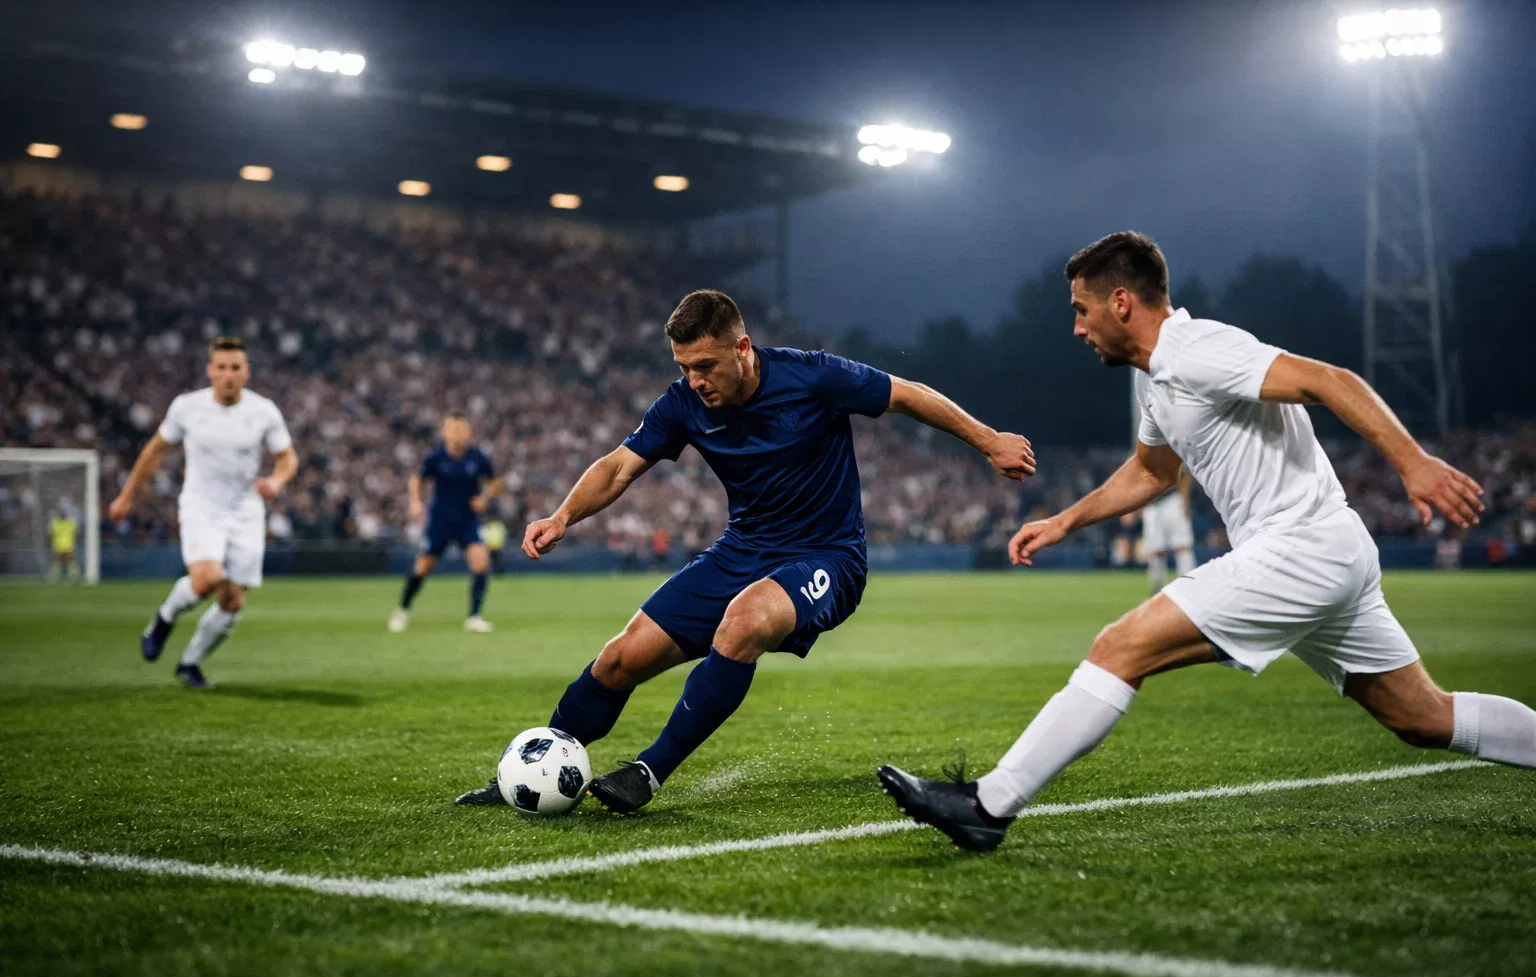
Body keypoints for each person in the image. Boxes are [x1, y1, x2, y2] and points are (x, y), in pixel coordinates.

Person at [878, 231, 1535, 852]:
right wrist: (1064, 522)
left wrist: (1413, 462)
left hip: (1300, 547)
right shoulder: (1159, 378)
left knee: (1119, 646)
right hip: (1326, 552)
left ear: (1122, 302)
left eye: (1082, 310)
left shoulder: (1199, 350)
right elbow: (1152, 471)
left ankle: (988, 806)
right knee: (1422, 717)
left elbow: (1330, 381)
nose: (1076, 328)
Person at [456, 289, 1034, 812]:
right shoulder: (683, 403)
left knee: (744, 622)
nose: (696, 380)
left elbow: (908, 396)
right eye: (684, 368)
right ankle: (528, 772)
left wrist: (989, 441)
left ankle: (647, 772)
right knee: (618, 658)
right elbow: (617, 467)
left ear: (743, 348)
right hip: (741, 552)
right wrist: (562, 516)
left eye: (705, 365)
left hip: (828, 556)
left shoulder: (812, 377)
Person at [108, 337, 297, 689]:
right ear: (210, 370)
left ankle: (190, 663)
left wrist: (277, 481)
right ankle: (165, 617)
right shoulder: (187, 407)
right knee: (206, 580)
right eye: (221, 367)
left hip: (245, 510)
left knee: (232, 600)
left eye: (235, 368)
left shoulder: (264, 410)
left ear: (246, 372)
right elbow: (154, 452)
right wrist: (127, 495)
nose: (228, 374)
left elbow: (288, 457)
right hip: (201, 505)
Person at [388, 414, 502, 634]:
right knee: (423, 567)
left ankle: (474, 616)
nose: (457, 434)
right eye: (452, 429)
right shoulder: (435, 457)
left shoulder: (477, 457)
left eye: (461, 429)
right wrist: (415, 502)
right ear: (445, 432)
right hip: (440, 520)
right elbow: (417, 479)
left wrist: (485, 498)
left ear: (468, 432)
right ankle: (403, 609)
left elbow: (495, 481)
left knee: (480, 562)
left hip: (467, 519)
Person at [1142, 468, 1196, 591]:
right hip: (1151, 504)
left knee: (1182, 546)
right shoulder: (1140, 449)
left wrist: (1184, 501)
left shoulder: (1172, 449)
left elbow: (1185, 475)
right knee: (1156, 549)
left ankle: (1189, 584)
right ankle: (1157, 586)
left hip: (1172, 500)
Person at [47, 501, 80, 583]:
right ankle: (72, 577)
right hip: (65, 545)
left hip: (62, 545)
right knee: (68, 561)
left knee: (59, 561)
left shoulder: (55, 522)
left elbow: (50, 534)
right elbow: (75, 534)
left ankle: (55, 578)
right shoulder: (70, 522)